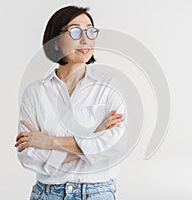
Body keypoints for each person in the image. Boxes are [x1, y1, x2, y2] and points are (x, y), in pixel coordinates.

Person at [14, 5, 127, 200]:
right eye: (75, 31)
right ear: (55, 42)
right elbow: (28, 156)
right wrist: (92, 139)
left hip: (98, 193)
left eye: (90, 31)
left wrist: (50, 142)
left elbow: (115, 146)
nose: (85, 39)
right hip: (48, 194)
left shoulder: (109, 87)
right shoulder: (35, 93)